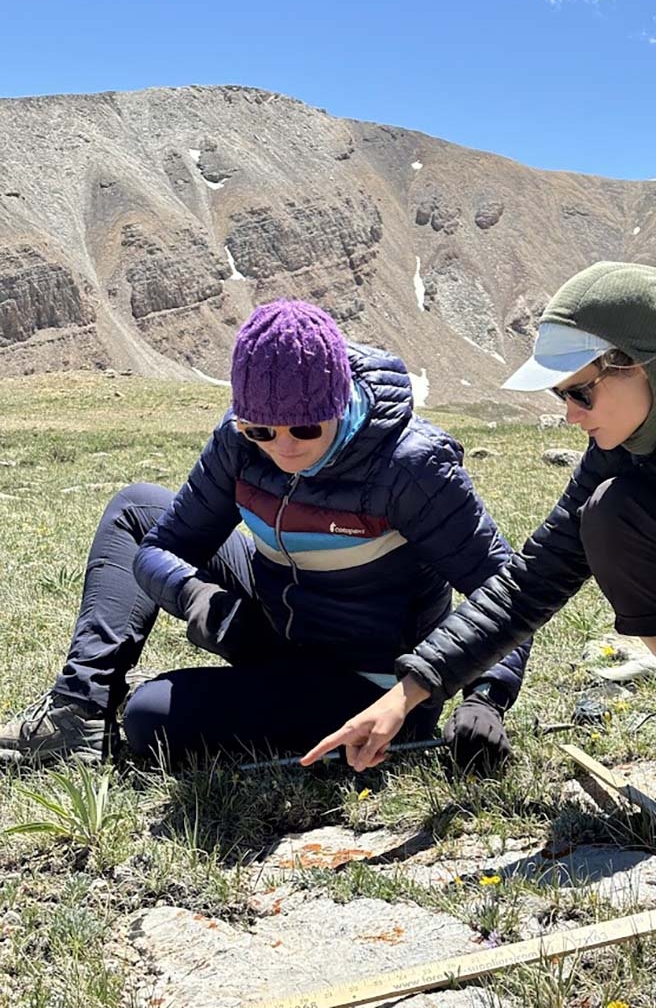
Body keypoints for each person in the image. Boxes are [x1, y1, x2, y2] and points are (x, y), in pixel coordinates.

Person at [303, 261, 656, 823]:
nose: (571, 416)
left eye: (580, 393)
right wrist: (407, 694)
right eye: (560, 397)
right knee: (608, 513)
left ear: (645, 363)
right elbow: (528, 583)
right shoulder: (622, 447)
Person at [0, 299, 529, 769]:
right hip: (275, 618)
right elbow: (160, 547)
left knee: (148, 718)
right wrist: (198, 598)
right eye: (261, 431)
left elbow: (506, 590)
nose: (283, 447)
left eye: (304, 429)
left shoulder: (411, 466)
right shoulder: (238, 441)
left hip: (373, 682)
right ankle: (79, 713)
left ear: (338, 403)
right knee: (136, 507)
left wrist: (486, 697)